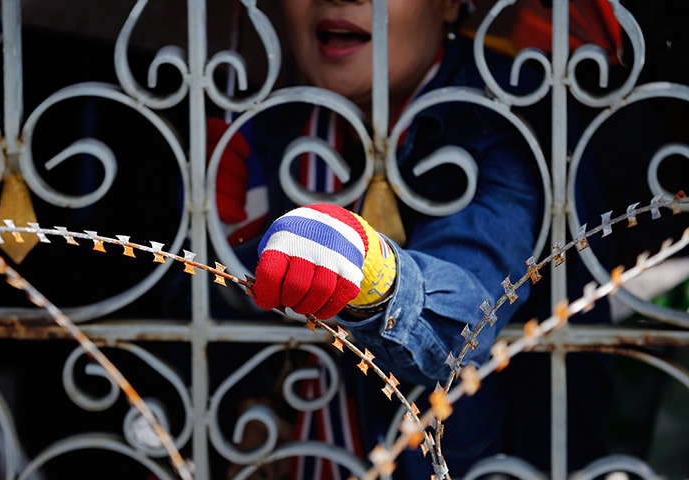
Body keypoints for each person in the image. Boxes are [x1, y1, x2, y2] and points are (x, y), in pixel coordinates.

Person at [209, 0, 612, 477]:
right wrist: (232, 250)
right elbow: (198, 346)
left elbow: (467, 318)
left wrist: (372, 276)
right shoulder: (261, 130)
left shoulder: (511, 120)